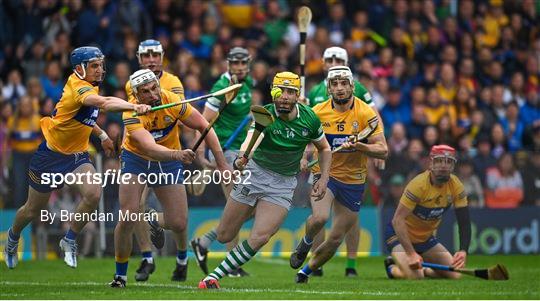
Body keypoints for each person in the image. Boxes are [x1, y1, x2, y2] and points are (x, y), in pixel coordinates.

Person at [4, 46, 150, 269]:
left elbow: (84, 118)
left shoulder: (91, 85)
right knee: (33, 209)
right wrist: (134, 106)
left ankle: (69, 239)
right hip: (50, 157)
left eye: (101, 65)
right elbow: (103, 104)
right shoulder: (79, 88)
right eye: (94, 66)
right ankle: (13, 238)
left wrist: (101, 136)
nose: (100, 70)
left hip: (77, 156)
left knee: (93, 194)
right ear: (80, 69)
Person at [198, 71, 332, 289]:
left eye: (291, 92)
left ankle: (213, 277)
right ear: (273, 92)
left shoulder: (309, 119)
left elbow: (324, 148)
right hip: (254, 175)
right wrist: (243, 157)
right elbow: (253, 137)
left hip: (283, 184)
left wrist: (323, 177)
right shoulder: (264, 115)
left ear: (298, 95)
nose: (285, 97)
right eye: (281, 91)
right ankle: (213, 241)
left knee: (261, 236)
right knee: (224, 235)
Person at [110, 69, 231, 288]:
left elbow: (204, 126)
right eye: (145, 92)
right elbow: (149, 147)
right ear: (136, 95)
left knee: (178, 222)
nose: (152, 94)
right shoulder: (130, 113)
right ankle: (120, 275)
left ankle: (151, 219)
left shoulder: (172, 100)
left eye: (154, 87)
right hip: (136, 159)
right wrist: (178, 155)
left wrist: (221, 163)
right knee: (127, 217)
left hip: (168, 161)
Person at [291, 66, 388, 283]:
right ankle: (306, 242)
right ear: (328, 89)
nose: (340, 88)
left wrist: (361, 146)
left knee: (335, 239)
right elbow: (302, 141)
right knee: (320, 217)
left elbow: (383, 149)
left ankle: (305, 271)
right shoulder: (317, 112)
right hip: (324, 173)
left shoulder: (365, 113)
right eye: (335, 84)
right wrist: (303, 157)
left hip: (354, 180)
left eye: (344, 83)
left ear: (352, 86)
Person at [124, 39, 187, 282]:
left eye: (155, 54)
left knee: (179, 221)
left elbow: (180, 115)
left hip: (169, 152)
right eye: (146, 55)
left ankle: (182, 258)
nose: (151, 59)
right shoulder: (134, 83)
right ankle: (147, 257)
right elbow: (132, 116)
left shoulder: (174, 83)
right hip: (140, 152)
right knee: (136, 206)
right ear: (139, 59)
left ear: (162, 56)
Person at [190, 47, 254, 277]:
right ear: (228, 64)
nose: (239, 67)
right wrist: (202, 155)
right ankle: (233, 265)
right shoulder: (221, 88)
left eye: (242, 63)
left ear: (248, 64)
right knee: (236, 205)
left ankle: (204, 242)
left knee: (245, 207)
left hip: (241, 152)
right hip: (224, 153)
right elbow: (203, 123)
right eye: (234, 63)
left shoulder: (248, 84)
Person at [383, 145, 471, 280]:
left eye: (448, 162)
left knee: (455, 275)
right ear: (431, 163)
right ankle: (391, 267)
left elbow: (464, 221)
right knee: (415, 277)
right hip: (399, 237)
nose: (443, 166)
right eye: (439, 161)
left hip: (425, 239)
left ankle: (426, 270)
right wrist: (411, 253)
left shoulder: (456, 186)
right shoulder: (418, 185)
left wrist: (463, 250)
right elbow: (397, 220)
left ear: (453, 166)